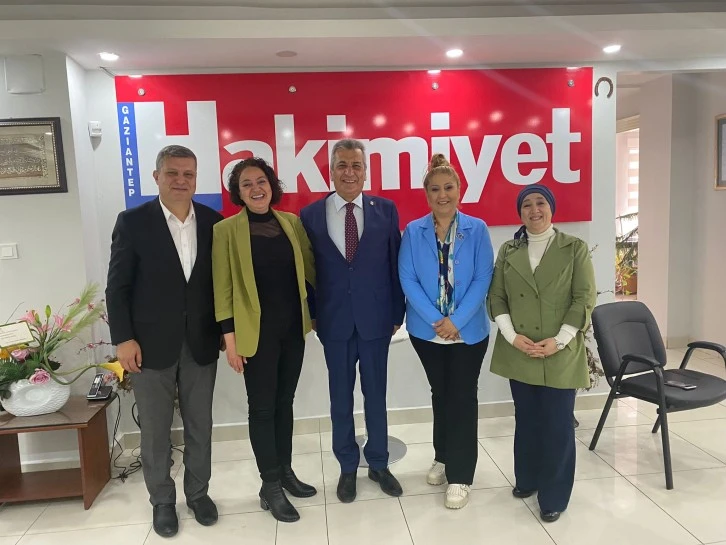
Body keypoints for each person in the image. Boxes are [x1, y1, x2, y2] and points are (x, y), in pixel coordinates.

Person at [106, 145, 222, 538]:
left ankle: (199, 494)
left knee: (200, 425)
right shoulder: (133, 222)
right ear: (156, 177)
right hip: (149, 345)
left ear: (196, 179)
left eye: (188, 174)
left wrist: (226, 331)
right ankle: (162, 501)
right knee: (155, 430)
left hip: (201, 342)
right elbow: (117, 287)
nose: (180, 181)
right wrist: (123, 339)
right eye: (172, 173)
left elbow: (219, 286)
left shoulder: (213, 222)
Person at [300, 139, 405, 503]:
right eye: (342, 165)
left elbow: (394, 263)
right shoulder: (310, 215)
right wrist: (313, 314)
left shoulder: (385, 210)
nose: (349, 172)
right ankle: (347, 466)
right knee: (340, 399)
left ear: (365, 172)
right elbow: (308, 272)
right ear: (331, 171)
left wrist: (397, 313)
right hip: (334, 323)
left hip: (376, 321)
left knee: (376, 396)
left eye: (356, 165)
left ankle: (378, 463)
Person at [212, 157, 316, 523]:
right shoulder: (226, 230)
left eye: (261, 181)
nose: (256, 188)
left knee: (284, 403)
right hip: (254, 336)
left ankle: (284, 471)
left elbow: (309, 271)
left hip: (292, 331)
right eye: (246, 184)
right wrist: (229, 339)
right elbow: (222, 289)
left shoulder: (291, 223)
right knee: (261, 409)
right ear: (238, 193)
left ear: (272, 185)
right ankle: (270, 486)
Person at [486, 184, 596, 523]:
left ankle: (554, 496)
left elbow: (584, 298)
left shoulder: (574, 248)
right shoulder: (509, 250)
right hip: (520, 349)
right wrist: (511, 336)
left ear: (551, 208)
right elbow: (497, 297)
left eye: (540, 203)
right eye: (527, 205)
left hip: (560, 351)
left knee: (558, 424)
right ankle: (528, 478)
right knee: (527, 419)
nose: (534, 210)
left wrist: (560, 340)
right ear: (519, 212)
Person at [398, 154, 494, 509]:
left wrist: (457, 321)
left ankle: (461, 475)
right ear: (426, 194)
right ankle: (443, 455)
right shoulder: (414, 231)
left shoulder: (477, 229)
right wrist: (438, 320)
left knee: (463, 397)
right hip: (427, 332)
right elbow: (407, 278)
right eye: (435, 189)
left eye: (448, 187)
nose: (443, 195)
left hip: (468, 333)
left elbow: (483, 278)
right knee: (440, 394)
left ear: (459, 190)